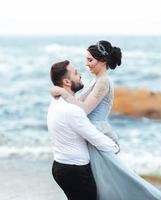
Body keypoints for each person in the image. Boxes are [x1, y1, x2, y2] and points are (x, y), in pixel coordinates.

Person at [51, 41, 161, 200]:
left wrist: (62, 93)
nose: (87, 64)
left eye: (90, 60)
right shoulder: (95, 80)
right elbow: (78, 105)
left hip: (98, 133)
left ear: (103, 61)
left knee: (117, 181)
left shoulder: (103, 81)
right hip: (91, 134)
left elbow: (83, 109)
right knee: (102, 184)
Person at [47, 60, 119, 200]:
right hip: (75, 171)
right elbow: (95, 138)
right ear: (67, 82)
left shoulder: (56, 102)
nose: (80, 74)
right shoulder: (73, 110)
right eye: (75, 73)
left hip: (60, 166)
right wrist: (114, 147)